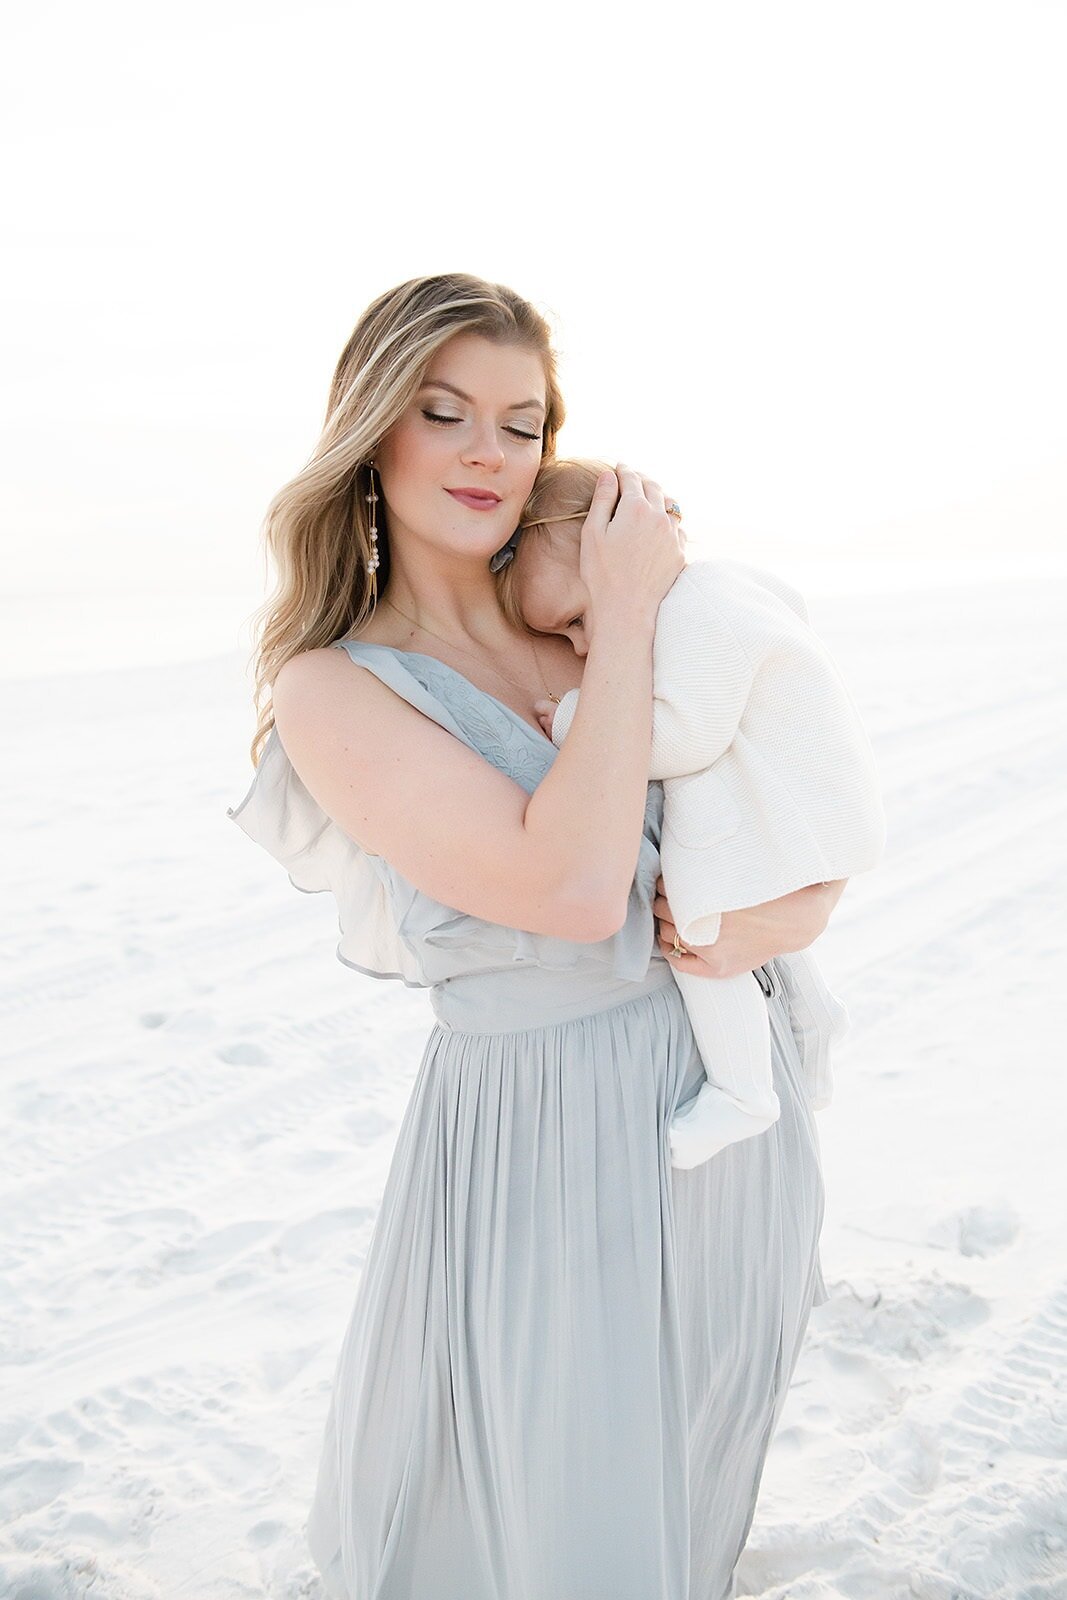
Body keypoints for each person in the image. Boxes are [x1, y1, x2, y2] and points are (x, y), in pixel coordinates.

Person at [227, 273, 848, 1600]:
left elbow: (794, 808)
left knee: (684, 1468)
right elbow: (568, 893)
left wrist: (787, 915)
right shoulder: (338, 686)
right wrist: (625, 614)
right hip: (545, 1138)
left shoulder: (573, 612)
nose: (484, 453)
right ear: (371, 432)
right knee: (547, 1512)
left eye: (519, 421)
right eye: (441, 411)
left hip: (729, 1106)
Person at [492, 457, 886, 1170]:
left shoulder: (697, 610)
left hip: (786, 804)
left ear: (620, 557)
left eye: (579, 621)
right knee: (741, 903)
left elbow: (680, 736)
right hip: (804, 797)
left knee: (696, 928)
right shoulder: (727, 586)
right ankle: (815, 1015)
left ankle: (741, 1090)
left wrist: (573, 718)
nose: (582, 647)